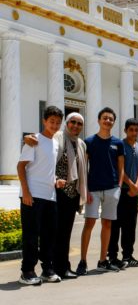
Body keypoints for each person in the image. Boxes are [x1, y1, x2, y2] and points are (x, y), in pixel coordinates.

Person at [23, 112, 88, 279]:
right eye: (72, 122)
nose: (75, 125)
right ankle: (50, 267)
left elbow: (83, 170)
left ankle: (62, 267)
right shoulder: (58, 137)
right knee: (52, 233)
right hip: (57, 192)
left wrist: (84, 192)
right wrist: (25, 138)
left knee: (64, 233)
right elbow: (38, 142)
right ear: (66, 123)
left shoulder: (81, 144)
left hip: (72, 193)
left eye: (79, 123)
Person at [17, 105, 64, 285]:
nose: (54, 125)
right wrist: (26, 192)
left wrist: (56, 180)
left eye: (58, 122)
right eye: (51, 121)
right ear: (44, 121)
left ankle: (47, 270)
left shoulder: (55, 143)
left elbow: (46, 169)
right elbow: (20, 166)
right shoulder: (34, 140)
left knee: (48, 235)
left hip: (50, 195)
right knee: (31, 234)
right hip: (33, 194)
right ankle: (27, 271)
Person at [76, 107, 124, 275]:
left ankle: (103, 260)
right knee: (89, 223)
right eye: (105, 118)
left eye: (111, 119)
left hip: (111, 188)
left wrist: (118, 187)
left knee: (107, 224)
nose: (107, 121)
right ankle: (83, 261)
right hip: (93, 189)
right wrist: (85, 189)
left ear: (113, 122)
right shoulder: (89, 141)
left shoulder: (118, 143)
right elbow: (83, 167)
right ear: (98, 120)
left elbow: (121, 168)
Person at [108, 118, 138, 268]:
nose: (134, 133)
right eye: (131, 130)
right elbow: (119, 168)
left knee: (130, 226)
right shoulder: (120, 145)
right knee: (116, 225)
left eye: (136, 130)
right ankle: (112, 257)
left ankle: (128, 256)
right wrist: (131, 185)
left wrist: (136, 186)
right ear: (125, 130)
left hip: (133, 192)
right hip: (121, 191)